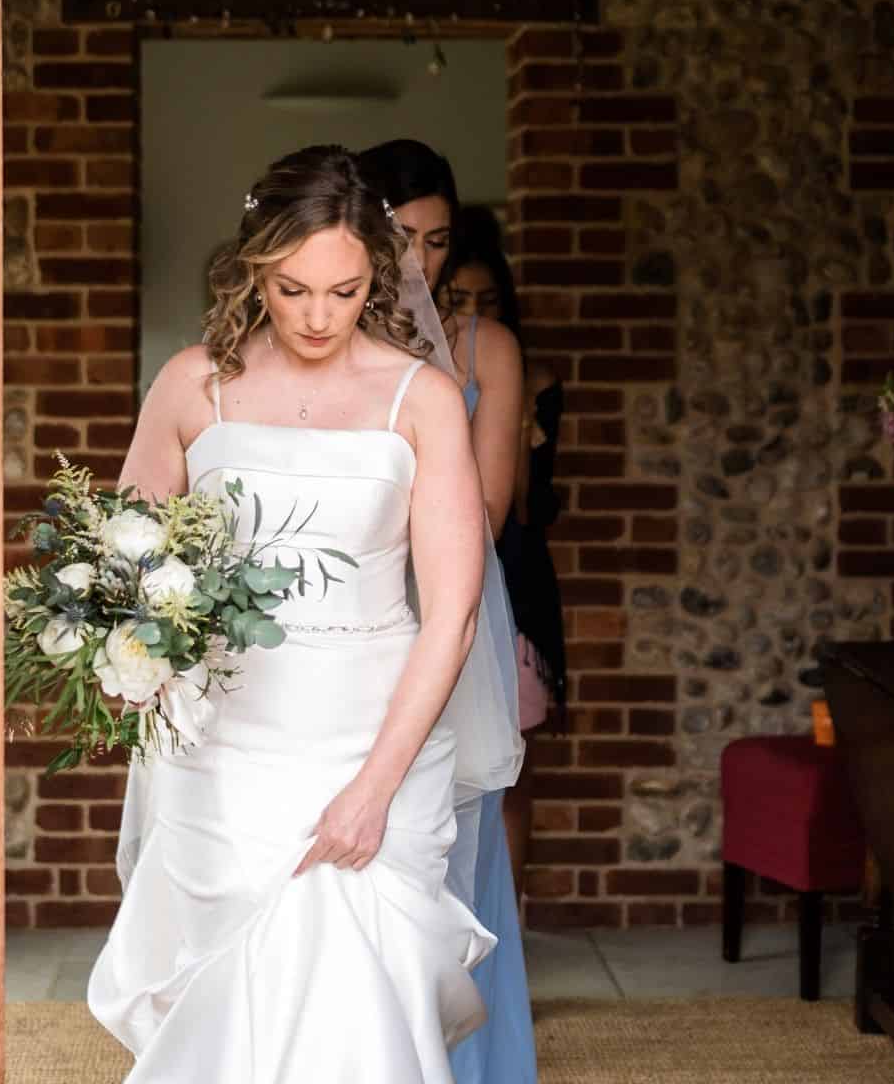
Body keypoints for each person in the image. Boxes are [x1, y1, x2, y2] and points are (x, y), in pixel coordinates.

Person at [88, 145, 518, 1084]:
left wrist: (373, 789)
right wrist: (125, 664)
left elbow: (451, 614)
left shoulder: (424, 398)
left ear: (379, 271)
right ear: (253, 271)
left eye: (346, 289)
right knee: (224, 1003)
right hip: (225, 743)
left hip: (374, 731)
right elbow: (125, 559)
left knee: (363, 1007)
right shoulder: (191, 385)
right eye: (292, 291)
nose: (319, 317)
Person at [358, 140, 538, 1084]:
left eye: (435, 240)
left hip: (446, 613)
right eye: (398, 237)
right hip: (336, 627)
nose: (417, 263)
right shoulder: (318, 339)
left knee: (442, 855)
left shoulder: (483, 350)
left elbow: (491, 509)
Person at [444, 205, 569, 897]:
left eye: (487, 302)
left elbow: (526, 507)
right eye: (457, 299)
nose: (472, 314)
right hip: (438, 583)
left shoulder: (526, 378)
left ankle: (506, 929)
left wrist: (512, 421)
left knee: (509, 772)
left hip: (515, 589)